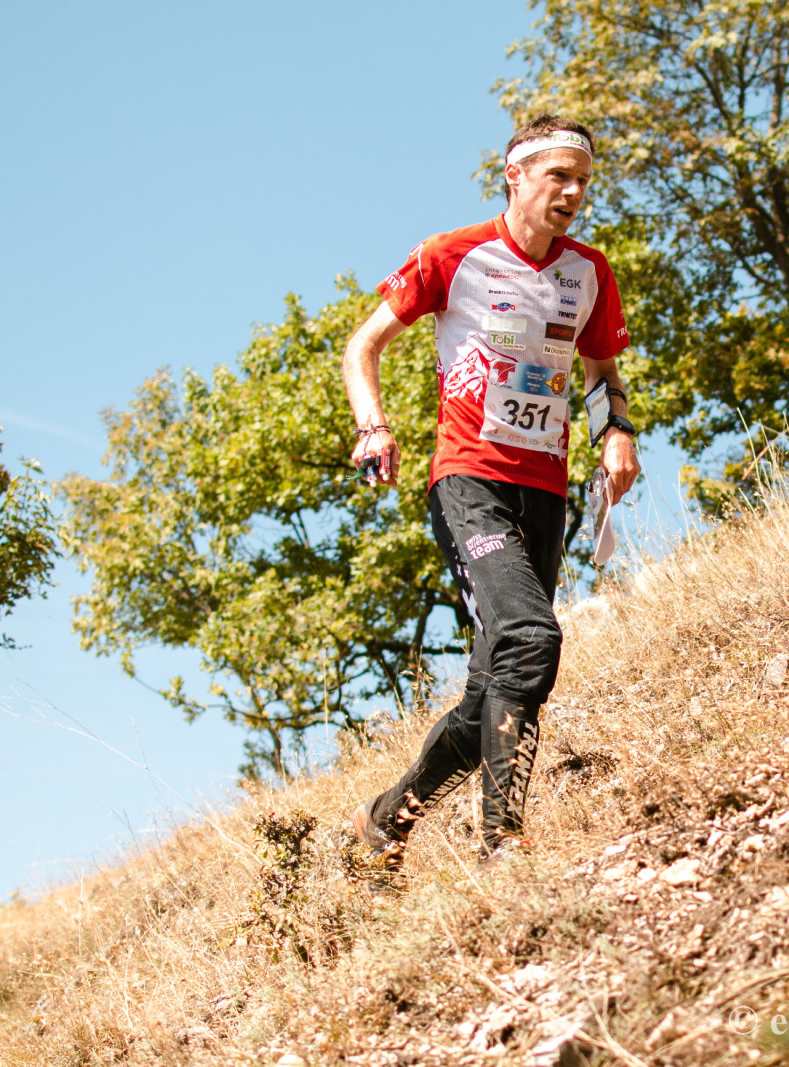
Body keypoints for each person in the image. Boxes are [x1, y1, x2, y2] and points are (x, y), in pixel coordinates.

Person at [341, 115, 640, 863]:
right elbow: (362, 345)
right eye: (558, 176)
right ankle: (503, 841)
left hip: (545, 490)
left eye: (583, 180)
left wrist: (617, 431)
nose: (573, 192)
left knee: (495, 686)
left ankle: (386, 820)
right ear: (515, 176)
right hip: (469, 480)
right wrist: (374, 428)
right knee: (531, 638)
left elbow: (601, 369)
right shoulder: (451, 254)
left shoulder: (589, 271)